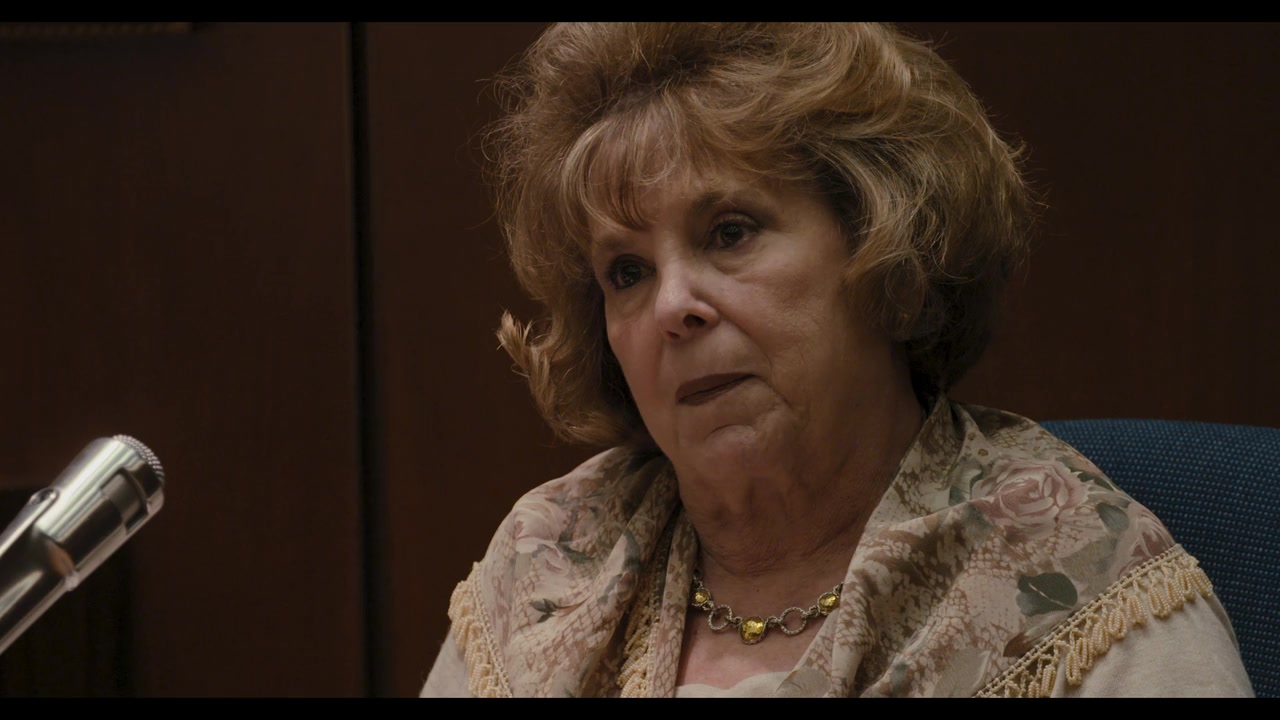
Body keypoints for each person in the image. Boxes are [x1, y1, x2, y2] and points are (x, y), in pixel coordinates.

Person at [420, 23, 1253, 697]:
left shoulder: (1077, 583)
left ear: (882, 245)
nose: (672, 305)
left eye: (729, 232)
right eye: (627, 272)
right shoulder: (549, 558)